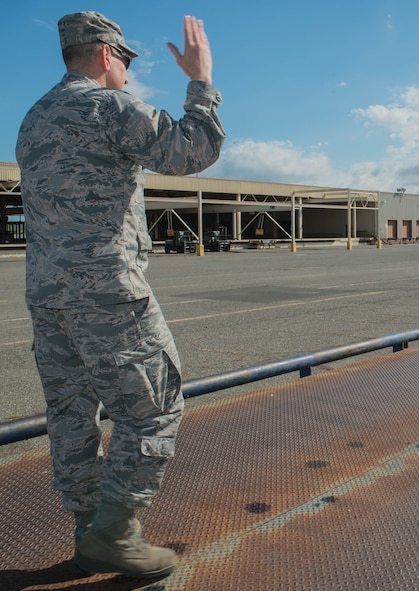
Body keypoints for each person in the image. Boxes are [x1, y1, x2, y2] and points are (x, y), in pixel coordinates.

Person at [15, 11, 225, 579]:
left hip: (48, 297)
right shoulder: (108, 106)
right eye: (127, 61)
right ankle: (114, 532)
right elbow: (192, 152)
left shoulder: (33, 119)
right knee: (154, 410)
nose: (130, 73)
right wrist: (201, 80)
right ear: (106, 54)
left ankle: (89, 527)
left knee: (70, 414)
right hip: (109, 293)